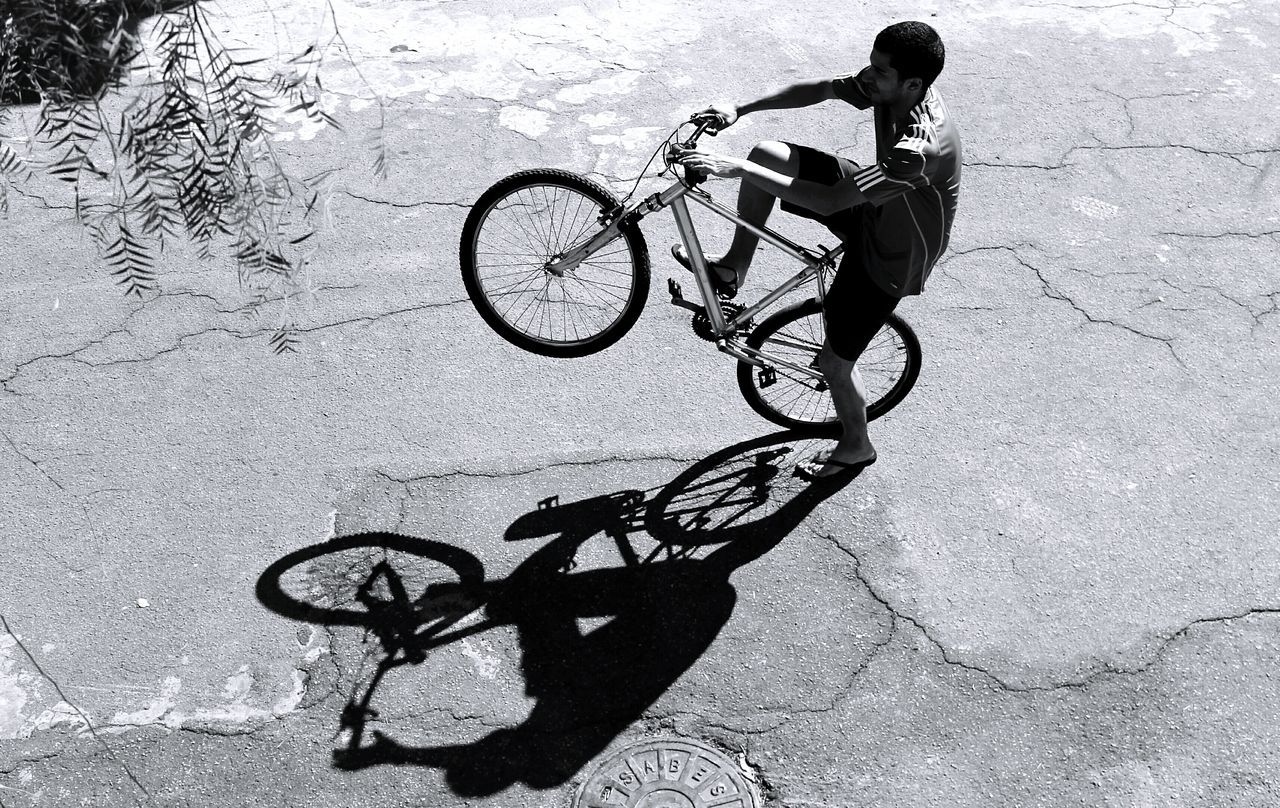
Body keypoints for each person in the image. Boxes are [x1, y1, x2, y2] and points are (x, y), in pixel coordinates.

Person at [671, 21, 961, 479]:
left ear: (912, 84)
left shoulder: (919, 150)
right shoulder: (891, 89)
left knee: (834, 363)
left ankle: (856, 446)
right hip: (876, 204)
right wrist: (739, 109)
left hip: (892, 255)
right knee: (768, 154)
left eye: (878, 70)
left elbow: (829, 201)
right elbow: (825, 88)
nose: (867, 75)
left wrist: (736, 168)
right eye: (870, 63)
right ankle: (732, 268)